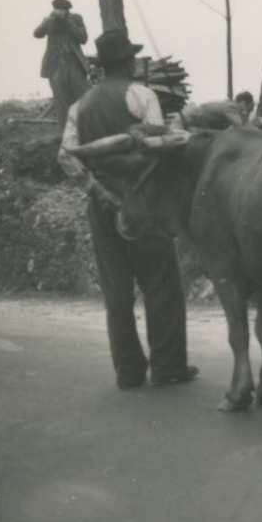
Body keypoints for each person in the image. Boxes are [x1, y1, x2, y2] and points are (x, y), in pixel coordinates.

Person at [58, 28, 198, 390]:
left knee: (117, 290)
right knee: (161, 282)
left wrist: (97, 189)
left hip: (101, 204)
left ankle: (129, 371)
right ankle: (168, 367)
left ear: (103, 67)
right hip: (142, 200)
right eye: (133, 57)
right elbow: (158, 148)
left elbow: (67, 157)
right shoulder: (141, 95)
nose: (136, 62)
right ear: (126, 63)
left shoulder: (79, 106)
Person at [34, 0, 91, 126]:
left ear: (67, 11)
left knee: (82, 95)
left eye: (61, 10)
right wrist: (48, 21)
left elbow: (83, 38)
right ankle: (65, 132)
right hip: (55, 65)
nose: (59, 12)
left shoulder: (76, 18)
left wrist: (69, 23)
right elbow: (37, 34)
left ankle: (87, 127)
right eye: (56, 9)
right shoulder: (50, 20)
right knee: (61, 100)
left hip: (73, 63)